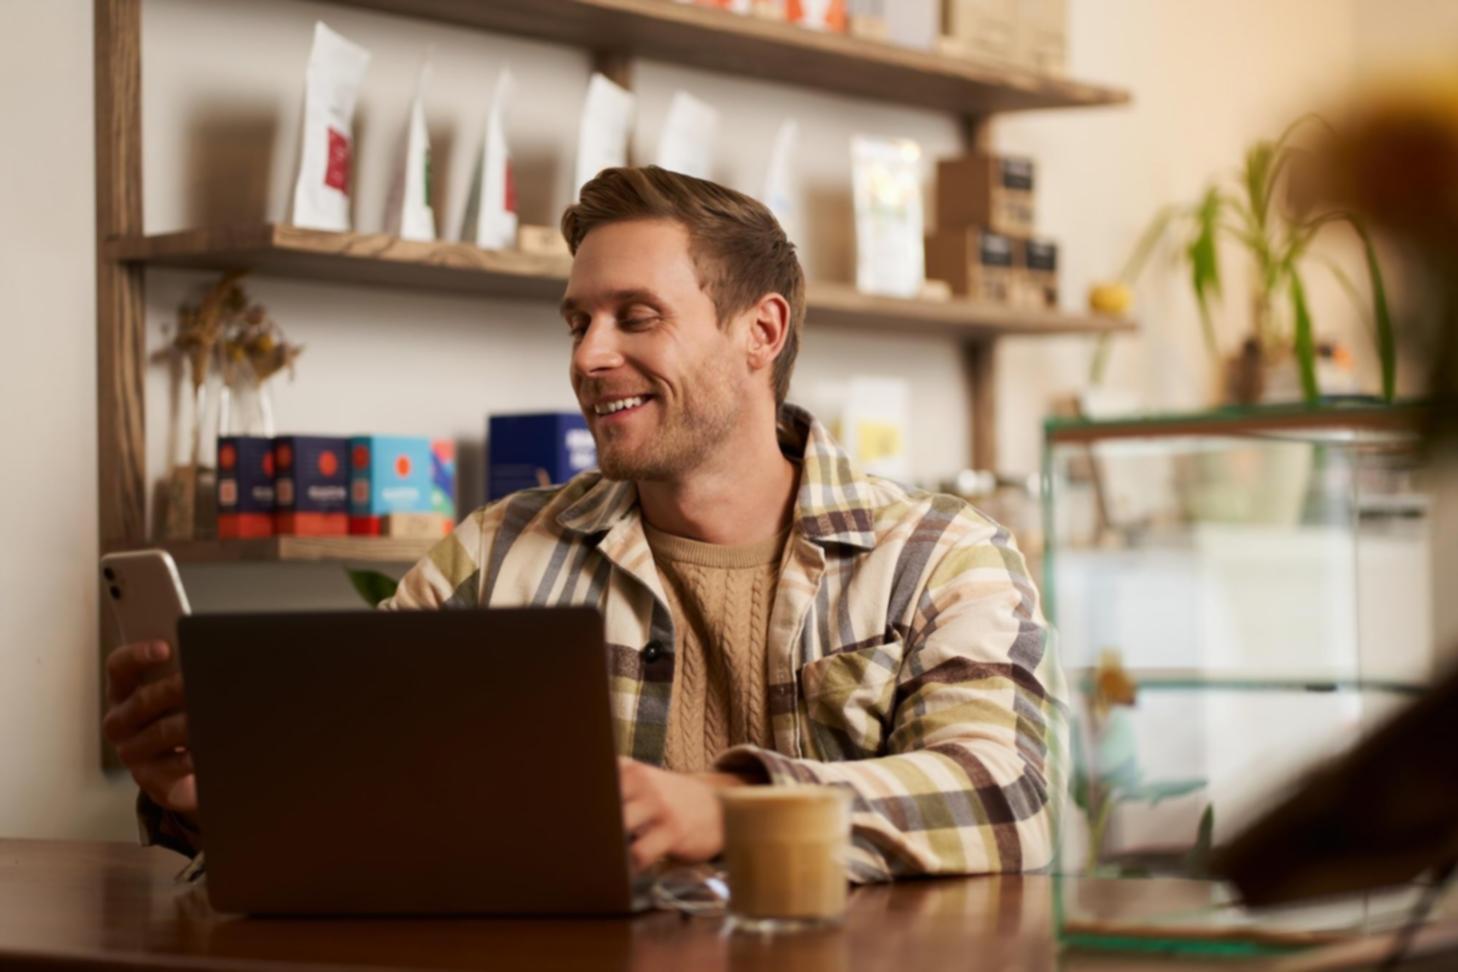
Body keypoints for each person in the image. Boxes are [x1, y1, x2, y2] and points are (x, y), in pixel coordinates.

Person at [105, 165, 1067, 883]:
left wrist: (732, 809)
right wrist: (218, 803)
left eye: (635, 317)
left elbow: (1011, 795)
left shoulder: (940, 557)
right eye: (578, 322)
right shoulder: (496, 555)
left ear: (761, 333)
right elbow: (368, 792)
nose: (589, 357)